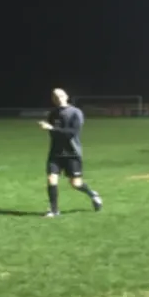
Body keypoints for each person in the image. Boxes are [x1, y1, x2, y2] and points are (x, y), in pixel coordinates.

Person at [38, 88, 103, 218]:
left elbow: (72, 133)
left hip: (72, 153)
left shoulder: (75, 113)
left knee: (76, 184)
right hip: (56, 153)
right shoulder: (53, 114)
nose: (58, 98)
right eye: (55, 96)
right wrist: (50, 129)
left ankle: (93, 195)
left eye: (61, 95)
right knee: (51, 179)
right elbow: (54, 133)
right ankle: (54, 210)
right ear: (53, 99)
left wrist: (51, 128)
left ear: (67, 96)